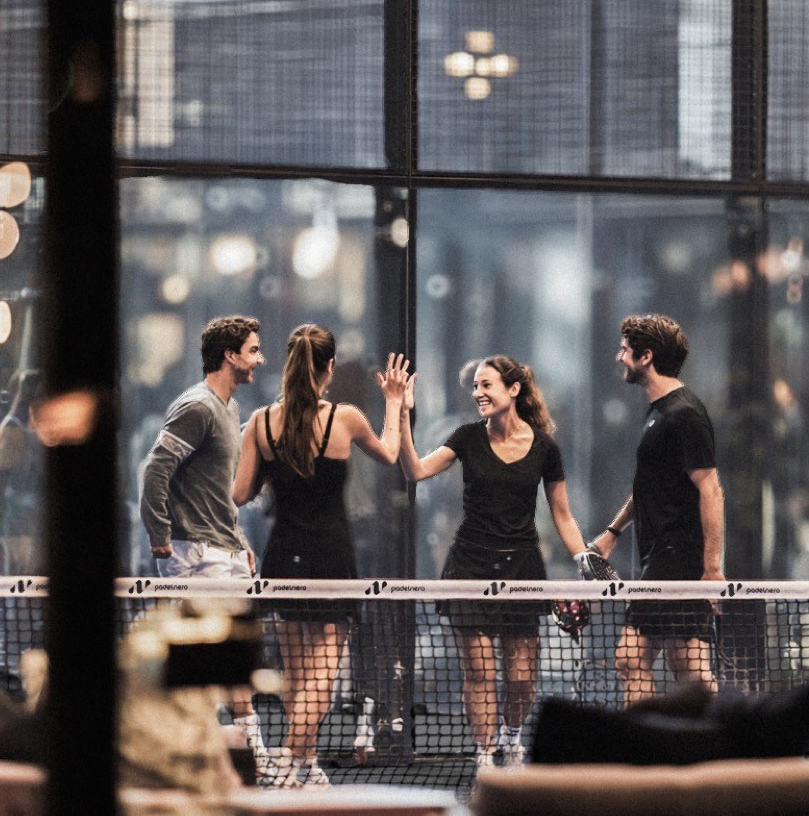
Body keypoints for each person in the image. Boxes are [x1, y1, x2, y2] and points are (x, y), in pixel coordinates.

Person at [232, 325, 408, 788]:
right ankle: (294, 761)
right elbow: (390, 453)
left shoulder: (259, 423)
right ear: (329, 367)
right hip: (330, 558)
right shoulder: (345, 418)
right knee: (320, 680)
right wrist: (393, 401)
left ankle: (305, 766)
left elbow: (240, 492)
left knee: (297, 676)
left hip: (282, 558)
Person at [400, 355, 590, 770]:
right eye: (475, 387)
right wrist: (400, 409)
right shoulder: (467, 437)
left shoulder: (545, 447)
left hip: (523, 568)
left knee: (521, 678)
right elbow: (414, 471)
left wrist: (584, 558)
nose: (478, 394)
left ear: (514, 389)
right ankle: (486, 755)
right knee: (480, 671)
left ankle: (511, 737)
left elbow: (562, 513)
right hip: (469, 566)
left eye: (487, 385)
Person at [138, 315, 275, 771]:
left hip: (226, 550)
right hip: (192, 553)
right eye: (254, 350)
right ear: (230, 355)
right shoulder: (196, 406)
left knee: (233, 660)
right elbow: (154, 471)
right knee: (209, 665)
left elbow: (214, 488)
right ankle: (224, 759)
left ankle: (245, 757)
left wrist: (237, 537)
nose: (261, 359)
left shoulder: (230, 408)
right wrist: (159, 534)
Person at [591, 314, 725, 705]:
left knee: (631, 661)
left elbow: (711, 489)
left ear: (645, 356)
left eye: (625, 350)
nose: (619, 357)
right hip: (662, 555)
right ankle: (715, 749)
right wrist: (612, 533)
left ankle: (646, 756)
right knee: (690, 668)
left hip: (677, 559)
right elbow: (649, 486)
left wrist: (712, 568)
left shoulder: (685, 414)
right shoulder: (659, 413)